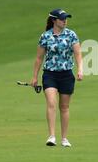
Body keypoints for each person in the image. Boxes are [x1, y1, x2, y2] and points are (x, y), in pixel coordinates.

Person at [31, 8, 83, 147]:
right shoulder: (45, 36)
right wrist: (34, 77)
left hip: (66, 74)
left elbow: (78, 54)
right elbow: (38, 58)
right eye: (62, 19)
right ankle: (52, 136)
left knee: (64, 107)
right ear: (54, 20)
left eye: (66, 18)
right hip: (50, 74)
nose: (65, 21)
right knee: (51, 103)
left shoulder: (71, 35)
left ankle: (64, 138)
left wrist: (80, 70)